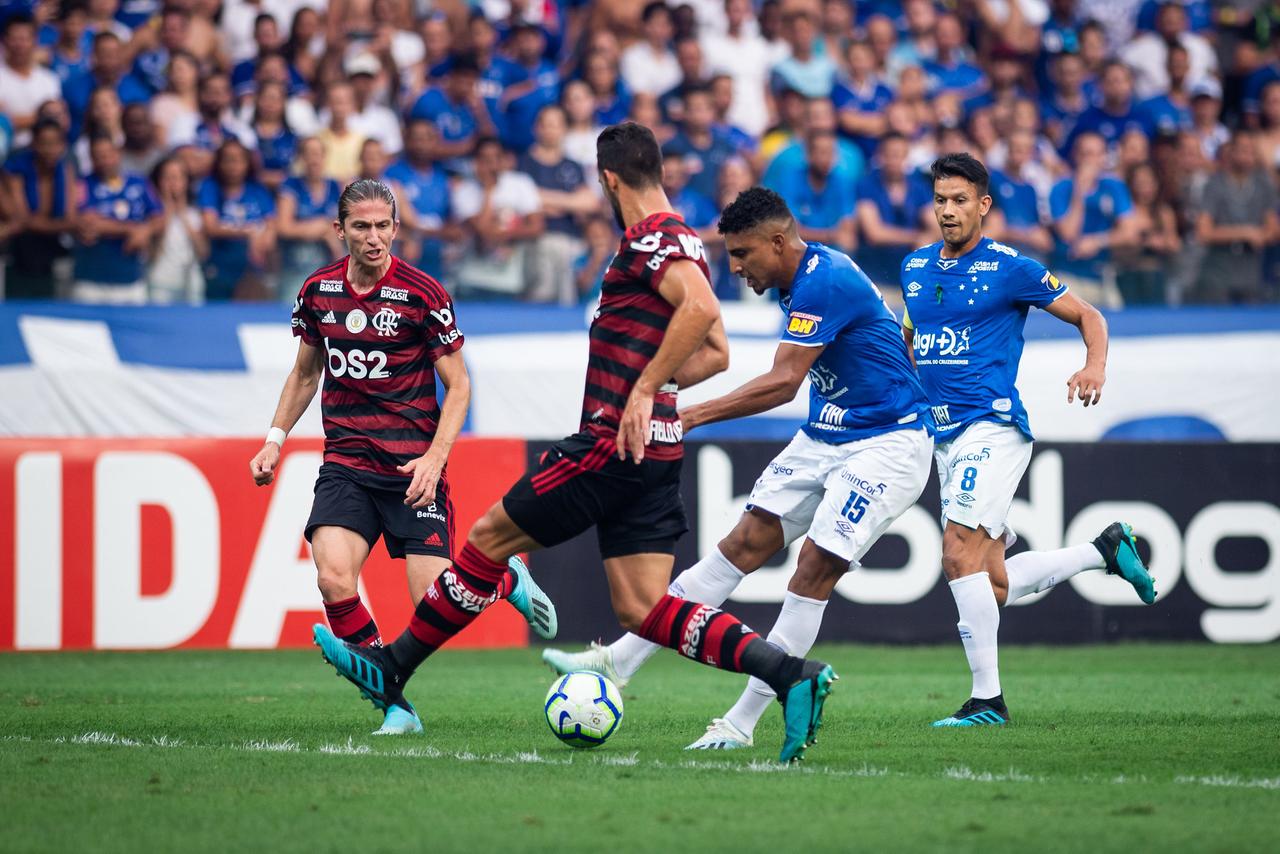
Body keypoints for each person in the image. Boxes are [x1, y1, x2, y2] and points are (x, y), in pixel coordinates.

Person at [310, 123, 838, 764]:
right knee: (644, 608)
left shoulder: (650, 239)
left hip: (607, 446)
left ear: (609, 178)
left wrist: (640, 390)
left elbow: (699, 313)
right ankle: (791, 676)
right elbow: (718, 354)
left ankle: (391, 669)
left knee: (484, 543)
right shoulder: (687, 242)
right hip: (658, 451)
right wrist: (657, 390)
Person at [543, 186, 933, 751]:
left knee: (811, 570)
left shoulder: (824, 280)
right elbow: (890, 333)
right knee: (741, 545)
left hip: (888, 445)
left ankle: (741, 723)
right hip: (828, 432)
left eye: (743, 254)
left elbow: (782, 383)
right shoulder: (806, 278)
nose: (736, 267)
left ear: (778, 242)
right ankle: (616, 662)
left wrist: (690, 413)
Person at [250, 177, 556, 736]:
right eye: (361, 227)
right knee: (334, 579)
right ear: (339, 230)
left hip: (413, 466)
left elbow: (459, 386)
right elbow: (306, 372)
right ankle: (396, 707)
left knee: (431, 601)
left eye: (383, 226)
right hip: (346, 462)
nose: (374, 238)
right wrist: (275, 437)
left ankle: (502, 579)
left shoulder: (423, 292)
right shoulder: (317, 292)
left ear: (397, 227)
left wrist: (436, 459)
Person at [900, 153, 1156, 727]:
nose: (948, 210)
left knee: (956, 554)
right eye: (941, 200)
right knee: (989, 585)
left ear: (983, 205)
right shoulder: (915, 267)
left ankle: (987, 701)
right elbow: (910, 342)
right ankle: (1104, 550)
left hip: (991, 428)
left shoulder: (1011, 268)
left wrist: (1094, 366)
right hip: (942, 435)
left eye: (960, 200)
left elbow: (1090, 315)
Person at [70, 134, 163, 303]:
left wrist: (147, 230)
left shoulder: (139, 182)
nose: (104, 160)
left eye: (108, 154)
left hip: (131, 281)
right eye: (97, 156)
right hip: (91, 283)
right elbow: (90, 222)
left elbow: (159, 217)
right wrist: (134, 229)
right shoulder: (83, 184)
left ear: (118, 153)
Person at [1193, 130, 1280, 304]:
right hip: (1219, 272)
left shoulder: (1263, 186)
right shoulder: (1214, 185)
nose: (1245, 156)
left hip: (1251, 273)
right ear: (1230, 152)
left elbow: (1273, 229)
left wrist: (1262, 235)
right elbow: (1203, 232)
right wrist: (1245, 233)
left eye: (1250, 151)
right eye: (1241, 150)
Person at [3, 118, 76, 298]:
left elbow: (69, 214)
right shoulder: (14, 170)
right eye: (44, 143)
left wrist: (72, 224)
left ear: (63, 145)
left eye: (55, 144)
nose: (50, 150)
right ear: (34, 144)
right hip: (17, 254)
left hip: (52, 255)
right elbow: (21, 218)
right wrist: (69, 225)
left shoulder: (66, 170)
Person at [196, 139, 276, 301]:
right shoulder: (210, 187)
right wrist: (247, 232)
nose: (233, 166)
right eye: (228, 160)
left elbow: (272, 225)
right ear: (219, 163)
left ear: (247, 163)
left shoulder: (257, 190)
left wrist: (264, 240)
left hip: (252, 269)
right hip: (220, 268)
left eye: (238, 160)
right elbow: (210, 226)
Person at [277, 137, 343, 294]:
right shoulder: (291, 185)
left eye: (318, 154)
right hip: (297, 265)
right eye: (309, 154)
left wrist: (326, 231)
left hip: (328, 267)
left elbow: (344, 226)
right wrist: (321, 228)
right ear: (301, 158)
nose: (314, 159)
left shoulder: (335, 186)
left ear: (325, 157)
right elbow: (284, 227)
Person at [147, 155, 207, 303]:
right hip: (160, 283)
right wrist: (167, 213)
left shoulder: (195, 215)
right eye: (167, 177)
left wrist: (182, 215)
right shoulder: (151, 216)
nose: (172, 183)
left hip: (191, 284)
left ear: (186, 182)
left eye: (177, 177)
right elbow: (151, 254)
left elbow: (203, 252)